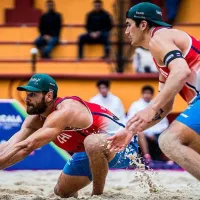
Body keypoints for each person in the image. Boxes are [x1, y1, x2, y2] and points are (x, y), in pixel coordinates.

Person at [0, 73, 138, 198]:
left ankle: (97, 195)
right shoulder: (36, 117)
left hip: (122, 145)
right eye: (27, 94)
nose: (27, 99)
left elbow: (27, 146)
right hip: (89, 150)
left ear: (48, 96)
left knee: (92, 142)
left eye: (32, 95)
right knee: (62, 192)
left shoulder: (66, 110)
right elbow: (12, 146)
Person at [108, 2, 200, 180]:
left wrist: (150, 107)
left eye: (128, 24)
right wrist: (130, 131)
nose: (126, 31)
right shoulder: (161, 50)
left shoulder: (159, 38)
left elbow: (181, 72)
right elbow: (165, 107)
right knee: (189, 144)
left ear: (143, 25)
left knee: (169, 141)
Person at [127, 85, 169, 161]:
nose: (147, 95)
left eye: (149, 93)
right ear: (142, 94)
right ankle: (147, 156)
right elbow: (131, 121)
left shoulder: (157, 106)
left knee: (167, 135)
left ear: (152, 95)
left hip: (156, 132)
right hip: (142, 132)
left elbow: (164, 123)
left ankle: (169, 159)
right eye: (145, 93)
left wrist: (153, 133)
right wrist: (148, 133)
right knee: (139, 133)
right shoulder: (135, 105)